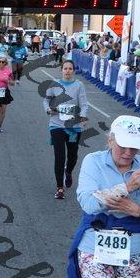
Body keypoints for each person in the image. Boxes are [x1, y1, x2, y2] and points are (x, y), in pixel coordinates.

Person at [67, 115, 140, 278]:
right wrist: (127, 188)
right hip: (95, 245)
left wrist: (138, 212)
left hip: (133, 249)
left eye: (134, 147)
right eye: (122, 146)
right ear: (110, 140)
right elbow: (89, 204)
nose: (128, 152)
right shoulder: (94, 161)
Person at [43, 60, 88, 199]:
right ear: (61, 70)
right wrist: (48, 110)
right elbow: (46, 100)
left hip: (73, 127)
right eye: (65, 68)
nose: (67, 71)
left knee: (72, 155)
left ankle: (68, 172)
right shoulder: (54, 85)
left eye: (70, 69)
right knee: (60, 156)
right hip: (56, 124)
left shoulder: (79, 85)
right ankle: (59, 188)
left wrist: (83, 116)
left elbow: (84, 104)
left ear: (73, 71)